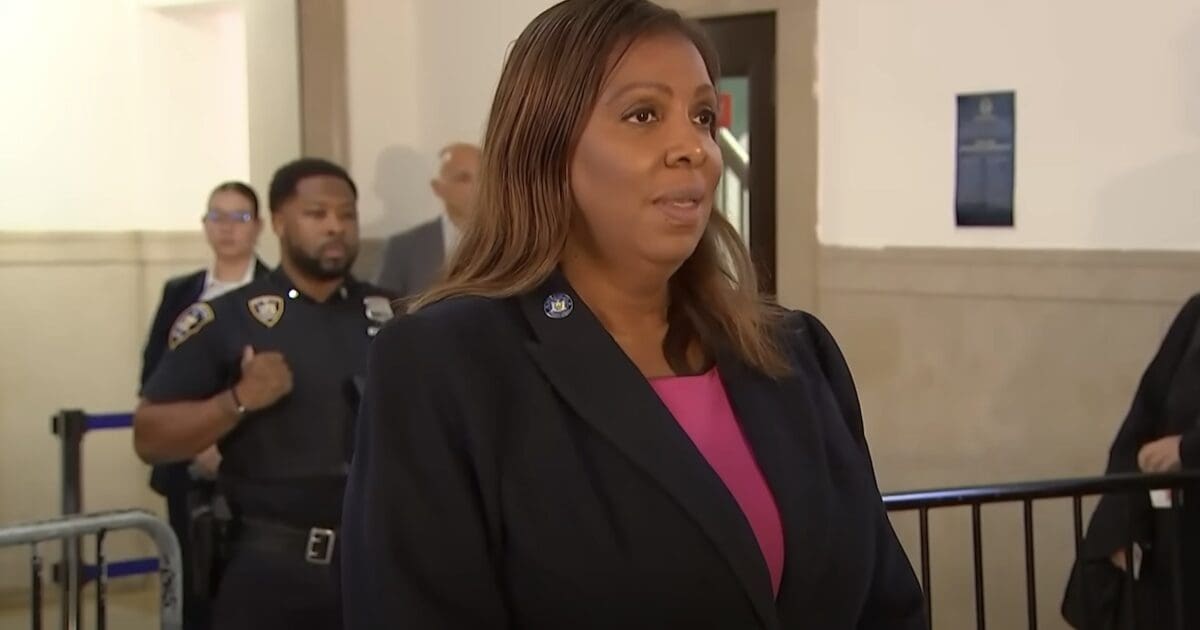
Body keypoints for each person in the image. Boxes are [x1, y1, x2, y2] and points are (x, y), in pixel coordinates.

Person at [341, 1, 926, 628]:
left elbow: (888, 605)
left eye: (704, 116)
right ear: (546, 146)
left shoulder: (795, 352)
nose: (694, 148)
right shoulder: (445, 366)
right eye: (643, 114)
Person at [133, 158, 396, 630]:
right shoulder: (229, 318)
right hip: (270, 572)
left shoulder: (396, 317)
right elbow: (150, 437)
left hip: (378, 565)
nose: (335, 226)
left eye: (347, 215)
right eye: (316, 214)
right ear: (278, 222)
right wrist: (237, 399)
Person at [140, 180, 268, 630]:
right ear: (204, 225)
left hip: (250, 463)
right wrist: (192, 438)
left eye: (240, 217)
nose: (227, 227)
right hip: (184, 460)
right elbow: (153, 372)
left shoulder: (275, 293)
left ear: (259, 226)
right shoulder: (180, 292)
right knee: (190, 585)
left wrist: (222, 441)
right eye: (217, 216)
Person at [1063, 295, 1200, 628]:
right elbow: (1142, 422)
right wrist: (1122, 527)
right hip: (1169, 546)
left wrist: (1188, 450)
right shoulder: (1196, 315)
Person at [374, 142, 480, 298]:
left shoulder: (510, 243)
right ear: (438, 188)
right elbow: (382, 307)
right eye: (464, 179)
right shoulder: (404, 248)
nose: (480, 187)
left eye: (485, 177)